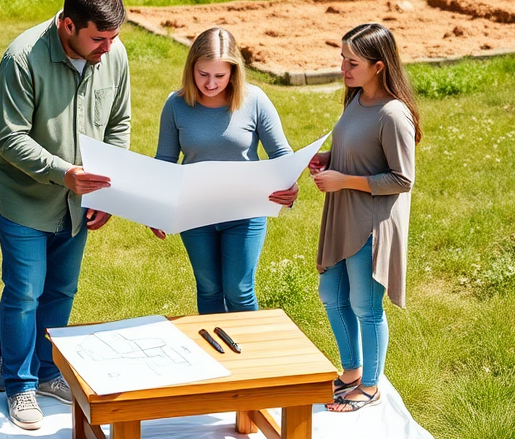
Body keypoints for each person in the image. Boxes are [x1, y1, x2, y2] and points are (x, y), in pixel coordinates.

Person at [0, 0, 131, 430]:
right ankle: (19, 386)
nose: (107, 49)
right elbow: (9, 138)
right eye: (98, 39)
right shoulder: (22, 58)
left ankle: (42, 368)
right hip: (23, 198)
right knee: (25, 291)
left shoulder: (113, 54)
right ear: (68, 25)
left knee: (59, 290)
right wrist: (66, 174)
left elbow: (119, 122)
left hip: (80, 201)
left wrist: (107, 191)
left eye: (114, 38)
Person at [308, 23, 420, 412]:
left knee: (364, 306)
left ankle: (370, 387)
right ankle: (352, 372)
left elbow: (402, 179)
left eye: (351, 61)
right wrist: (328, 160)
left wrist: (344, 179)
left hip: (370, 222)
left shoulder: (393, 114)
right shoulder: (355, 99)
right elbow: (356, 148)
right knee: (331, 296)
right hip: (342, 214)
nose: (343, 66)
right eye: (342, 57)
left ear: (378, 66)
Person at [152, 26, 298, 314]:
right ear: (191, 68)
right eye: (203, 74)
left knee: (239, 290)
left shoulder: (254, 100)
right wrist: (155, 207)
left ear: (234, 71)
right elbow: (165, 160)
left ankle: (251, 355)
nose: (210, 83)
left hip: (245, 212)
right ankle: (213, 356)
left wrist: (289, 184)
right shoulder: (176, 105)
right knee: (208, 289)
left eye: (220, 75)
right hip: (194, 211)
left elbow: (282, 155)